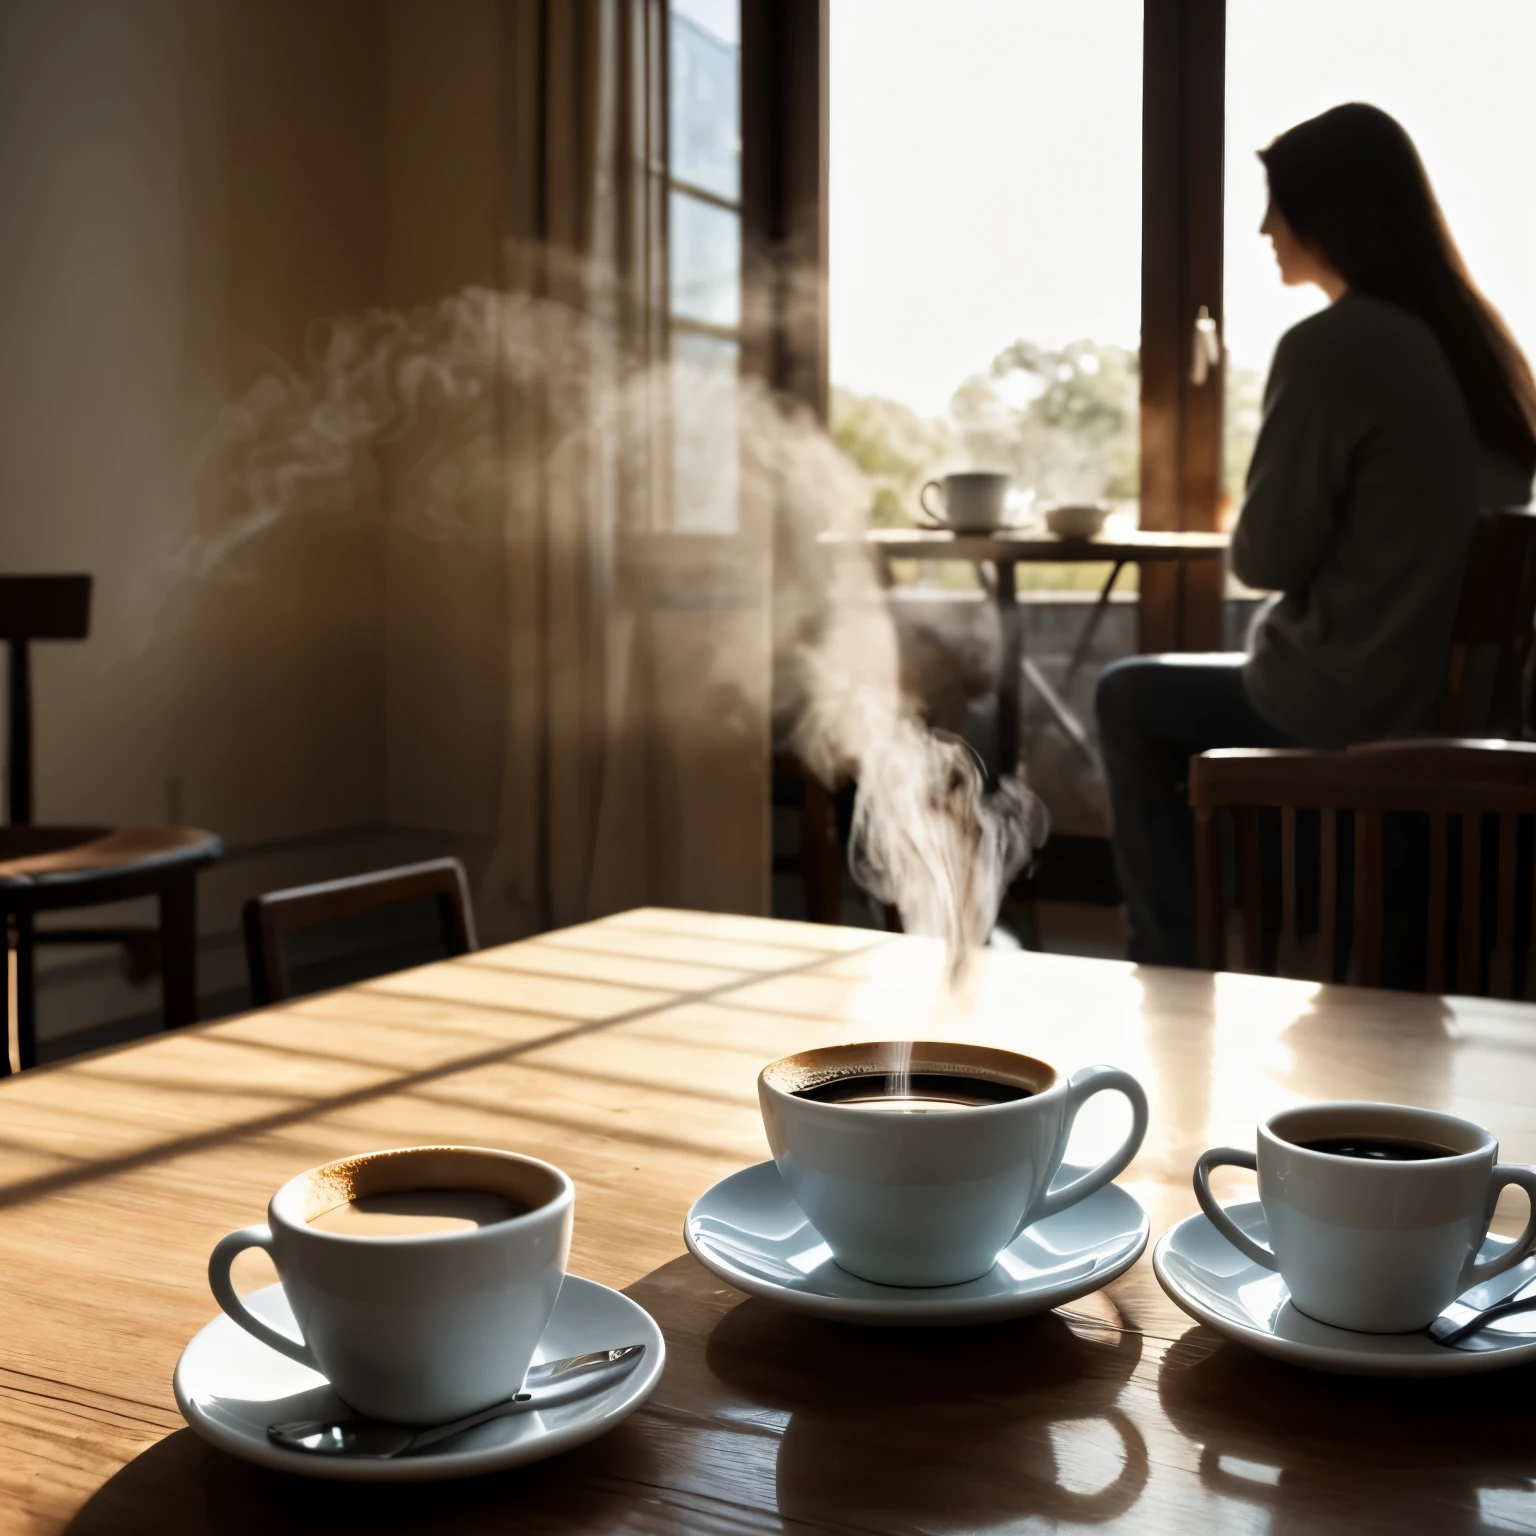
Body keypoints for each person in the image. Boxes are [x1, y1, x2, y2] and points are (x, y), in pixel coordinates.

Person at [1095, 102, 1536, 967]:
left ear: (1332, 212)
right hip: (1460, 707)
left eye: (1277, 203)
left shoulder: (1339, 346)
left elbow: (1265, 558)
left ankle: (1173, 967)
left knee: (1126, 695)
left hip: (1351, 699)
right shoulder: (1485, 350)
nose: (1263, 227)